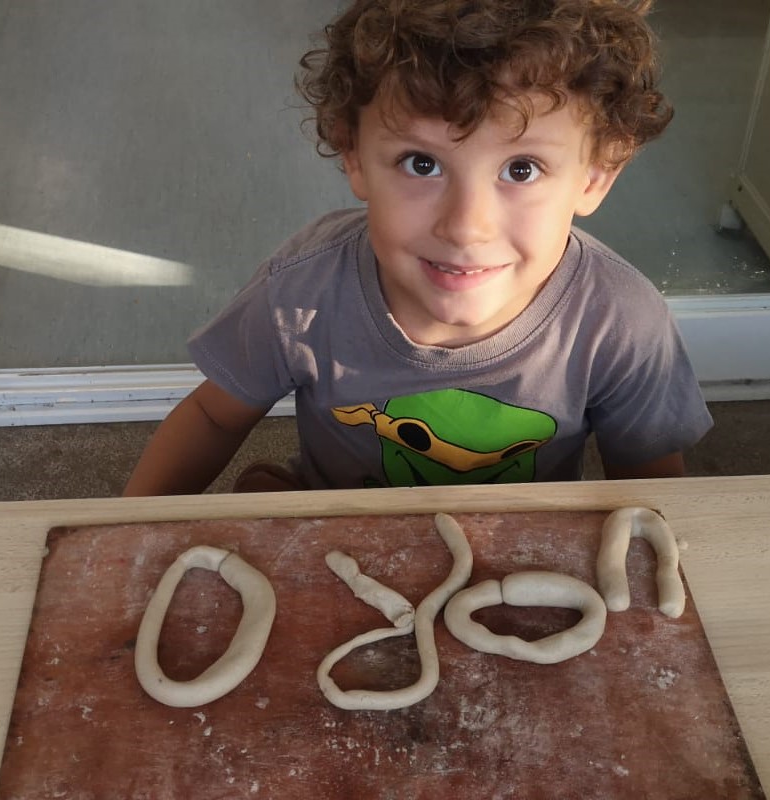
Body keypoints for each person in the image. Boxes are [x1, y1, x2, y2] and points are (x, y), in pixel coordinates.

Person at [123, 0, 712, 497]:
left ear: (596, 174)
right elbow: (211, 416)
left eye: (522, 169)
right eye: (421, 163)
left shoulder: (621, 320)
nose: (466, 228)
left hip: (519, 548)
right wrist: (123, 529)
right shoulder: (302, 291)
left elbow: (651, 491)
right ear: (353, 154)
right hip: (338, 531)